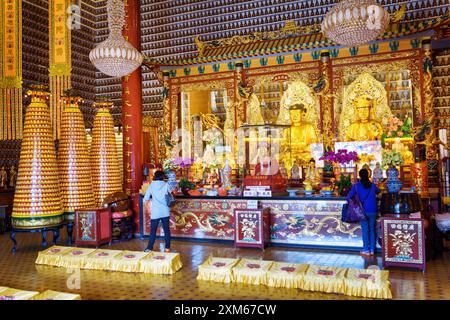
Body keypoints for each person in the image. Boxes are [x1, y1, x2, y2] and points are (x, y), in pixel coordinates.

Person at [347, 169, 381, 256]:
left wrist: (356, 201)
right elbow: (379, 191)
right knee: (372, 230)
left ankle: (366, 249)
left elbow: (348, 197)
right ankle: (372, 250)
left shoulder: (356, 186)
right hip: (373, 210)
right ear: (368, 175)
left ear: (359, 176)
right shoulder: (372, 185)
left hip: (362, 211)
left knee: (365, 230)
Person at [143, 170, 175, 253]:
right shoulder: (166, 185)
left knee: (153, 230)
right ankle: (167, 248)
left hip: (155, 211)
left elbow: (146, 199)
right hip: (165, 211)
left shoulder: (151, 185)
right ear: (162, 176)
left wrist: (148, 210)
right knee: (166, 230)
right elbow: (172, 192)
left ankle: (149, 248)